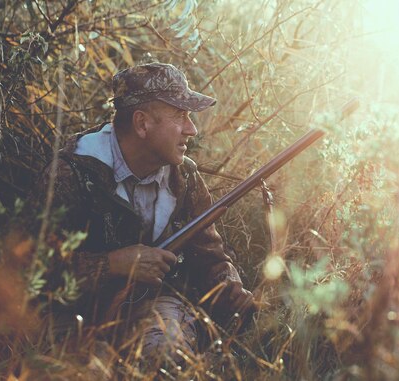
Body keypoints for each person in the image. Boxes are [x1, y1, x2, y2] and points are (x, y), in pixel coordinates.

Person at [31, 63, 254, 371]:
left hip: (150, 307)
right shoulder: (72, 174)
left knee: (167, 356)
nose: (192, 129)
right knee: (74, 370)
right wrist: (113, 264)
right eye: (180, 115)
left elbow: (211, 254)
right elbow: (34, 271)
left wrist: (230, 287)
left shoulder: (184, 178)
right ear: (142, 124)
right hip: (74, 312)